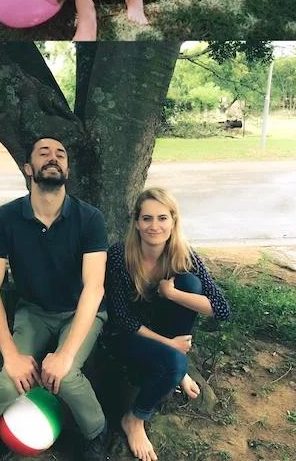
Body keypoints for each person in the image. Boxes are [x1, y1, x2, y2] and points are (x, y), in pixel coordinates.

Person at [0, 136, 110, 461]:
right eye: (44, 153)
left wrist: (65, 354)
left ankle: (97, 433)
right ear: (27, 168)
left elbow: (94, 288)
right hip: (33, 312)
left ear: (67, 169)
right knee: (10, 380)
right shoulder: (4, 218)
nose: (53, 157)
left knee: (66, 375)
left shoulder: (90, 218)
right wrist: (10, 354)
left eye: (60, 154)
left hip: (81, 311)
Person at [106, 187, 231, 461]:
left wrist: (171, 293)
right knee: (174, 364)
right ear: (136, 223)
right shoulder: (119, 255)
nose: (154, 226)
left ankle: (176, 364)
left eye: (162, 218)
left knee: (190, 284)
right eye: (147, 218)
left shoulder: (183, 255)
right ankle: (135, 419)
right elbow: (121, 319)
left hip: (165, 330)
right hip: (128, 334)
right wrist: (170, 345)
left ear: (173, 221)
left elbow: (221, 309)